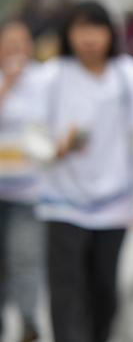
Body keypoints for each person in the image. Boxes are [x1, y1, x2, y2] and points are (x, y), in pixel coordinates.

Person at [22, 0, 133, 342]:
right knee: (65, 286)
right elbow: (31, 135)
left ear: (110, 33)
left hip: (114, 198)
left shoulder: (130, 77)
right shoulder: (50, 76)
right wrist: (53, 151)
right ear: (67, 33)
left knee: (103, 287)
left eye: (96, 27)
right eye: (80, 28)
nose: (89, 37)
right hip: (61, 198)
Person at [0, 20, 46, 342]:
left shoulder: (43, 80)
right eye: (9, 42)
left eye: (21, 42)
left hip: (29, 191)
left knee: (25, 256)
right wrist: (7, 84)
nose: (15, 49)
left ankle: (29, 322)